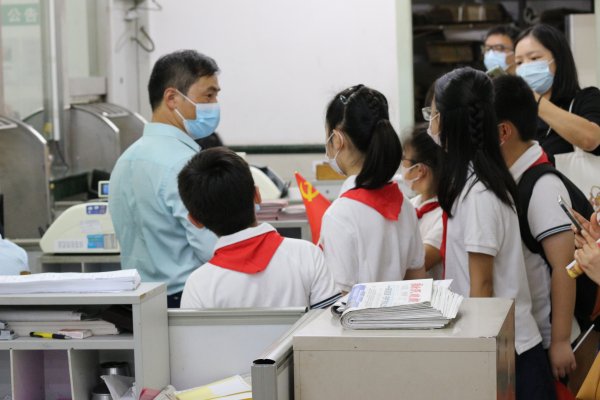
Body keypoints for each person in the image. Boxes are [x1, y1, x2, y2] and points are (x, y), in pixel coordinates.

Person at [432, 67, 555, 399]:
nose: (430, 123)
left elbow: (482, 286)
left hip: (507, 353)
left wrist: (476, 360)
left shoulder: (479, 194)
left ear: (448, 123)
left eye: (433, 114)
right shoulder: (475, 182)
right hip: (502, 345)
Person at [109, 50, 221, 308]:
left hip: (138, 300)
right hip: (187, 298)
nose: (215, 104)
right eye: (208, 95)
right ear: (172, 98)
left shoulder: (126, 159)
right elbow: (211, 248)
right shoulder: (184, 163)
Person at [178, 147, 341, 309]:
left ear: (195, 221)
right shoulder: (307, 255)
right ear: (257, 194)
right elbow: (329, 321)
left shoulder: (198, 286)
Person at [493, 74, 579, 380]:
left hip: (550, 339)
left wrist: (560, 341)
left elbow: (565, 267)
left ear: (503, 132)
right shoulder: (514, 178)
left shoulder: (542, 185)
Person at [318, 85, 426, 294]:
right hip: (405, 315)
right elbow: (418, 286)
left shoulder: (340, 215)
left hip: (355, 316)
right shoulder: (404, 206)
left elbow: (339, 300)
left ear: (337, 140)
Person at [514, 24, 600, 161]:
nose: (525, 67)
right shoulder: (517, 112)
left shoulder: (586, 98)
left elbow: (590, 139)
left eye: (534, 58)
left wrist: (533, 98)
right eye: (519, 63)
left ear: (559, 59)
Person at [401, 126, 444, 279]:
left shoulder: (444, 215)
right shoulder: (410, 205)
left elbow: (421, 262)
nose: (402, 166)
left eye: (404, 160)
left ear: (420, 169)